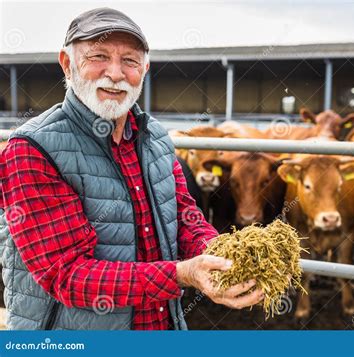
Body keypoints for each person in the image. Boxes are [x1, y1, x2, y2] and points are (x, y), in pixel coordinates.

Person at [0, 7, 263, 330]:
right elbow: (68, 275)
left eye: (130, 60)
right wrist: (184, 274)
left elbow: (184, 217)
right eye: (98, 56)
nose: (115, 73)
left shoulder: (155, 139)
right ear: (67, 64)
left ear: (145, 68)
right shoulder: (32, 149)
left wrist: (224, 256)